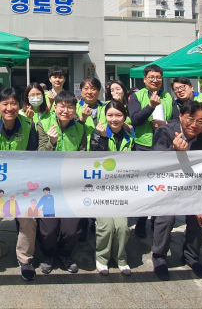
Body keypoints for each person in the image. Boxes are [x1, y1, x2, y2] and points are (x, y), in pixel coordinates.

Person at [151, 100, 202, 281]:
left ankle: (191, 256)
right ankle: (159, 256)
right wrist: (173, 150)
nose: (194, 125)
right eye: (190, 119)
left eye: (200, 122)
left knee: (199, 220)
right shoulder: (165, 131)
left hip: (192, 186)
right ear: (181, 116)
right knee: (166, 218)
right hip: (166, 185)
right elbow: (154, 162)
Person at [0, 87, 39, 282]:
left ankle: (25, 259)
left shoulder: (29, 125)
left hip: (21, 184)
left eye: (13, 103)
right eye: (5, 104)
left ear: (19, 106)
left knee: (29, 220)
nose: (9, 108)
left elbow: (33, 156)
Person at [37, 91, 87, 274]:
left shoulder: (80, 128)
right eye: (62, 106)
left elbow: (82, 155)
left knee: (72, 230)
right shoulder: (42, 125)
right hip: (48, 186)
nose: (66, 110)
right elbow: (40, 155)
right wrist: (52, 142)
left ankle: (66, 253)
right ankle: (48, 254)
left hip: (71, 186)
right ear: (55, 107)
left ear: (75, 109)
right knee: (48, 230)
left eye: (70, 107)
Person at [128, 63, 179, 238]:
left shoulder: (168, 97)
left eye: (158, 77)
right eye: (151, 77)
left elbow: (177, 120)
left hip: (165, 148)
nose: (155, 80)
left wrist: (165, 124)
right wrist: (149, 106)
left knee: (161, 186)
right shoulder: (137, 97)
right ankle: (141, 220)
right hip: (143, 146)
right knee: (143, 187)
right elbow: (135, 120)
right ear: (144, 79)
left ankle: (157, 220)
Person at [90, 100, 133, 276]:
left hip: (121, 189)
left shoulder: (131, 135)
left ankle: (121, 257)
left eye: (118, 115)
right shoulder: (97, 134)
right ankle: (102, 257)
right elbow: (93, 162)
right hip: (100, 189)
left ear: (124, 117)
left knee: (123, 226)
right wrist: (102, 139)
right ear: (105, 116)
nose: (114, 119)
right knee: (106, 225)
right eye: (110, 115)